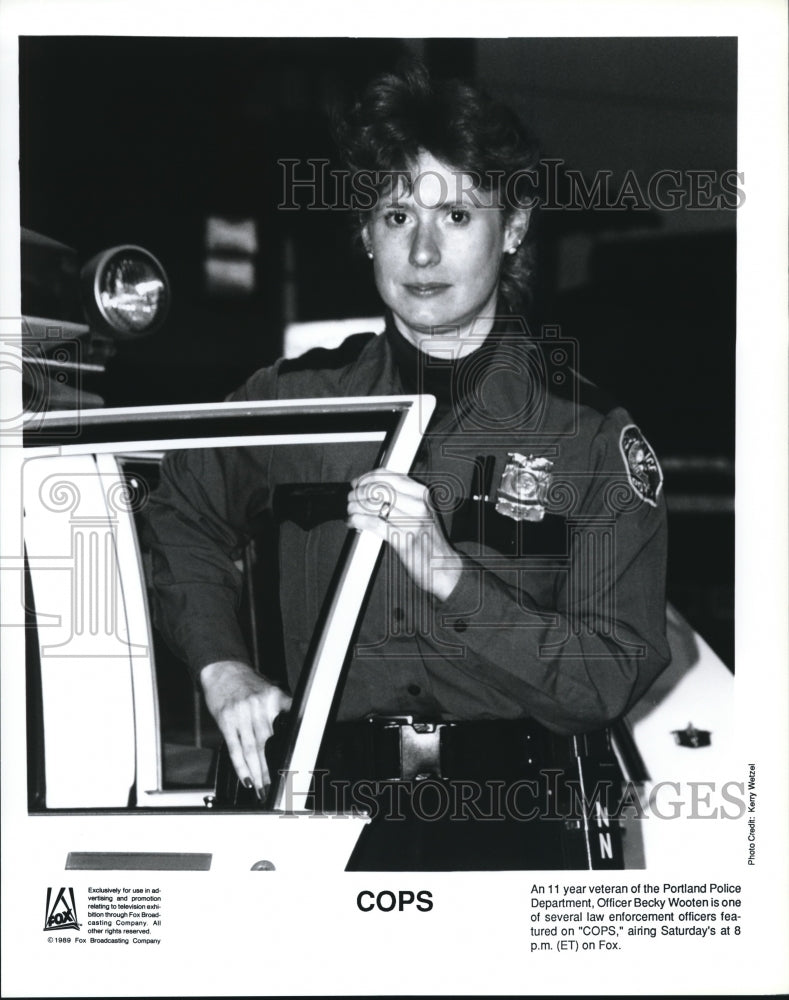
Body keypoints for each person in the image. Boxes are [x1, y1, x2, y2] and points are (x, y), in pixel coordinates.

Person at [143, 63, 671, 870]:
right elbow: (177, 513)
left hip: (513, 833)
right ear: (364, 231)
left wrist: (450, 575)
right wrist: (222, 667)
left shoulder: (588, 436)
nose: (423, 250)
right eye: (396, 214)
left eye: (456, 213)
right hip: (306, 826)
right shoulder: (294, 404)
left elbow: (605, 677)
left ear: (516, 226)